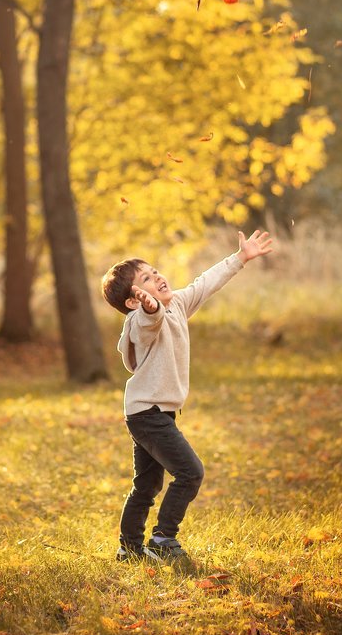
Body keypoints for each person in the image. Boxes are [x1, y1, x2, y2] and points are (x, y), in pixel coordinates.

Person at [100, 230, 274, 562]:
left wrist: (240, 258)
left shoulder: (177, 303)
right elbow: (148, 323)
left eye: (155, 272)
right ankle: (164, 538)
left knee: (147, 486)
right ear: (133, 302)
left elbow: (206, 282)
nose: (158, 278)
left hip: (154, 413)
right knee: (190, 472)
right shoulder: (139, 321)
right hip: (147, 414)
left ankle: (129, 547)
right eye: (146, 280)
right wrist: (149, 309)